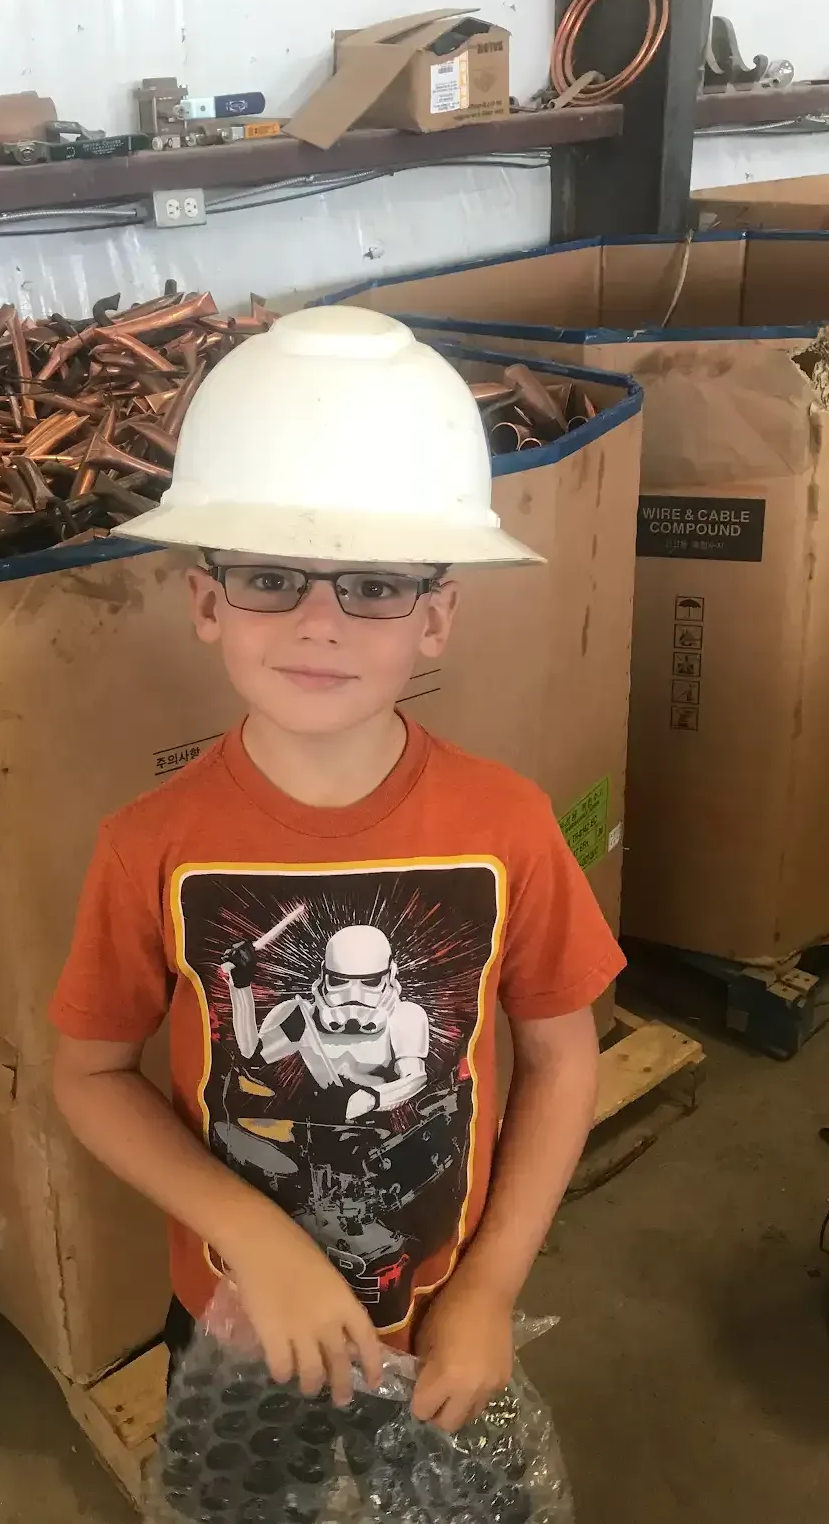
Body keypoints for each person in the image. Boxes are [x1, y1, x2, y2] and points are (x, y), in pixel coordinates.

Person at [50, 306, 624, 1431]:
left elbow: (563, 1058)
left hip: (444, 1314)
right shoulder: (147, 844)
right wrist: (254, 1237)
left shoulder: (506, 823)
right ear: (206, 601)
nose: (321, 623)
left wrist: (490, 1288)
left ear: (436, 619)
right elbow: (90, 1074)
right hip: (239, 1317)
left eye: (374, 584)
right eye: (272, 577)